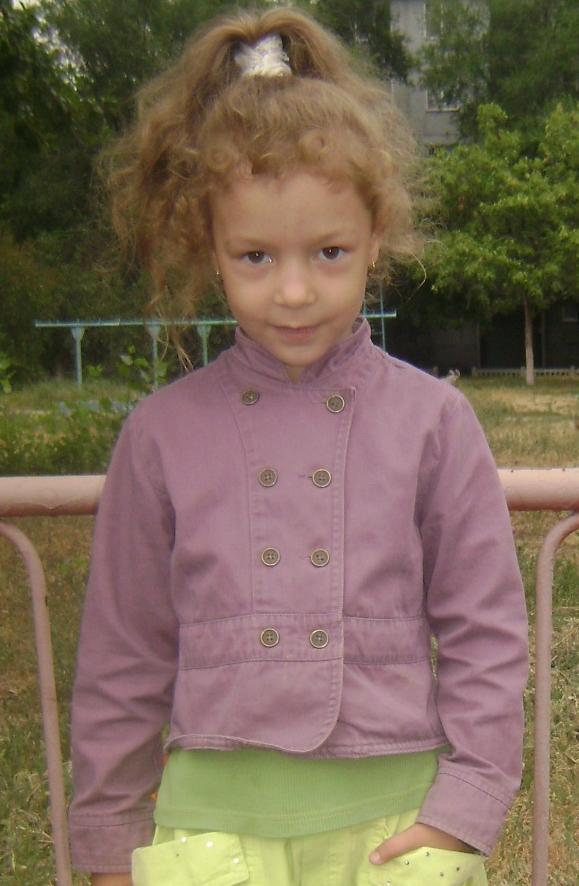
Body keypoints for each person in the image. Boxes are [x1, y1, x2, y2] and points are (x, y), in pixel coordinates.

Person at [68, 7, 528, 886]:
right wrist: (108, 843)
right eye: (254, 256)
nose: (292, 291)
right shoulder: (159, 436)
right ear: (208, 245)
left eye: (328, 252)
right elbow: (121, 658)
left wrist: (463, 809)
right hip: (209, 836)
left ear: (374, 238)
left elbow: (486, 632)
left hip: (398, 827)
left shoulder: (434, 422)